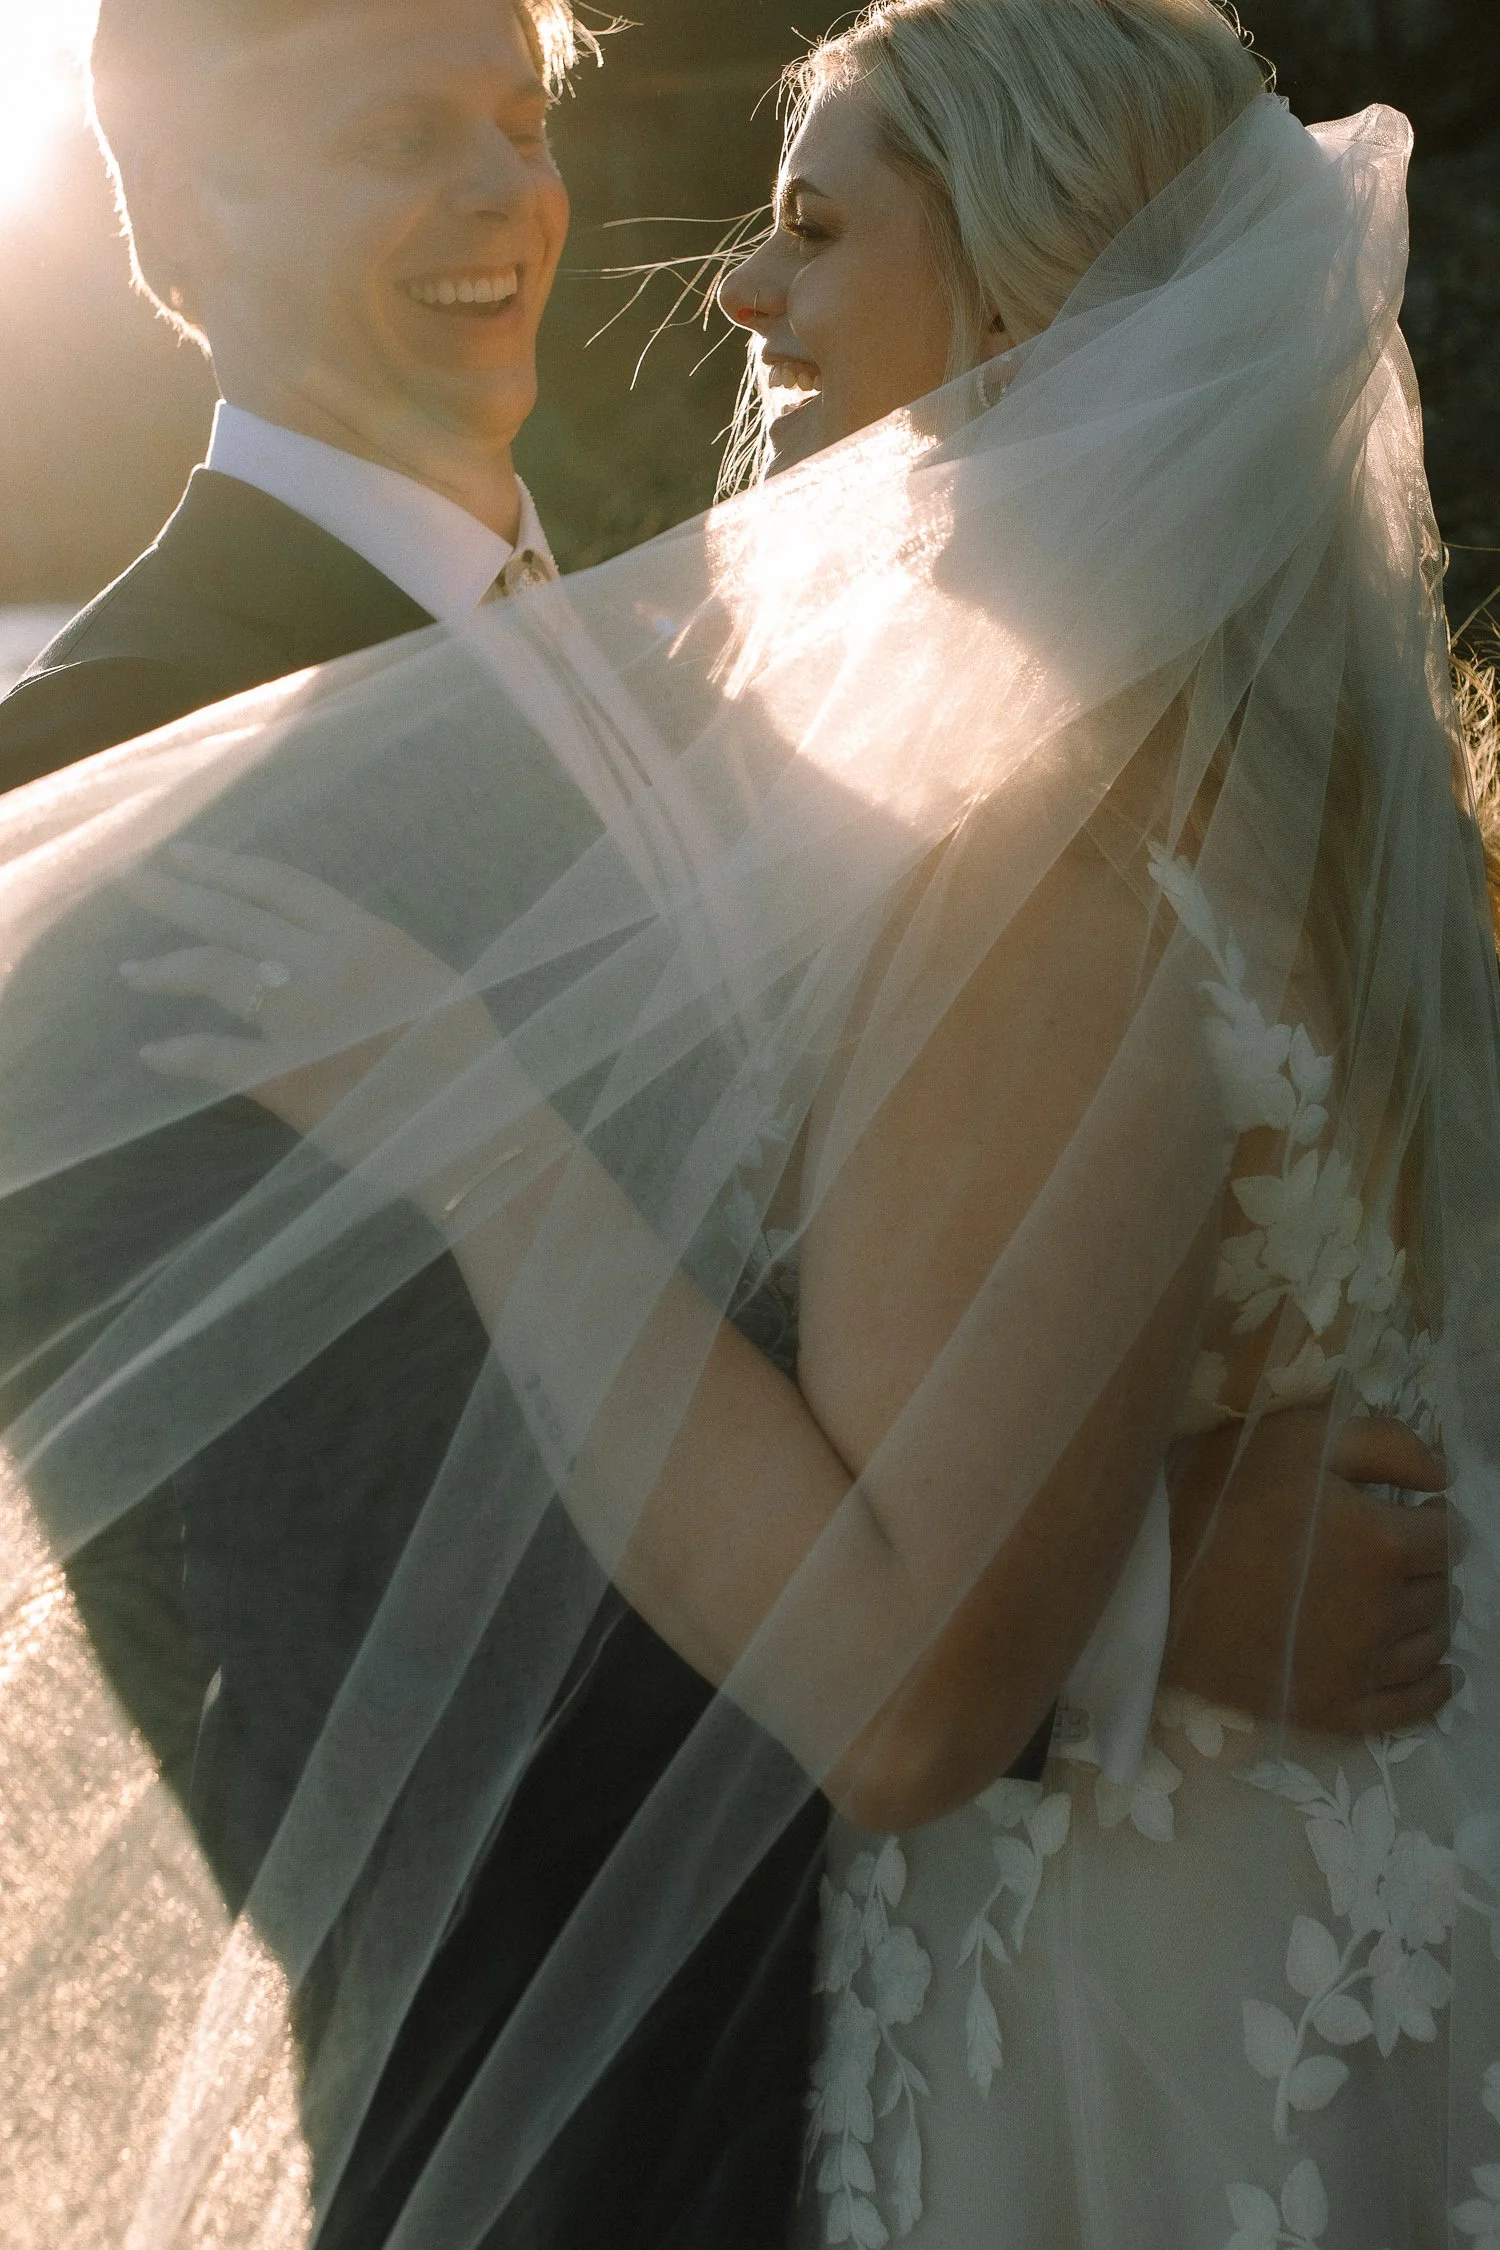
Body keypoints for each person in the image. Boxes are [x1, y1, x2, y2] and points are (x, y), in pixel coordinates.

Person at [0, 2, 1481, 2246]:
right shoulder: (109, 783)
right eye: (399, 137)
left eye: (520, 119)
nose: (506, 194)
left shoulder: (739, 672)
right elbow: (311, 1643)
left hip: (1056, 2033)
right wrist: (1135, 1605)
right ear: (183, 218)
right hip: (591, 2122)